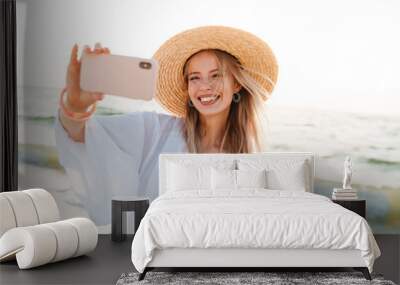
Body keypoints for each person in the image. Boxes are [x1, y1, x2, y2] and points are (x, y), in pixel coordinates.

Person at [54, 25, 279, 226]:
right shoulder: (154, 130)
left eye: (216, 75)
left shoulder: (249, 157)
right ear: (187, 88)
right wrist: (75, 104)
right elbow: (81, 135)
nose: (205, 86)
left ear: (237, 83)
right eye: (194, 78)